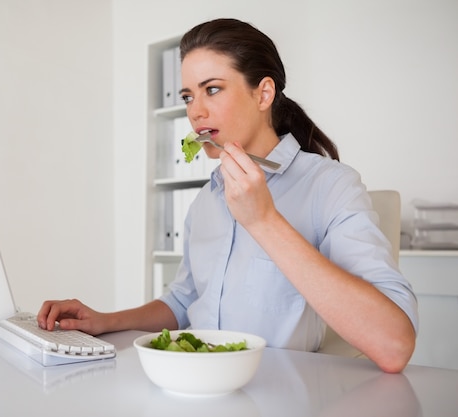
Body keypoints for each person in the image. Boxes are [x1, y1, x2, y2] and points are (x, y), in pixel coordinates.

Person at [38, 18, 418, 373]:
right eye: (188, 96)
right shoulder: (206, 200)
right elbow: (185, 301)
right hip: (195, 385)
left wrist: (263, 221)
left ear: (263, 93)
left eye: (213, 89)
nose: (196, 112)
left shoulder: (331, 186)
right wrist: (105, 321)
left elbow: (394, 345)